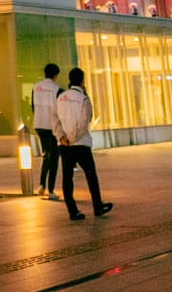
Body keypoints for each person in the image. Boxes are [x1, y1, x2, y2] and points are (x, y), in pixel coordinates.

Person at [54, 68, 113, 219]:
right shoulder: (83, 99)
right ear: (82, 80)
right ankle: (97, 206)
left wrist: (62, 137)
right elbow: (83, 124)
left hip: (64, 146)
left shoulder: (60, 97)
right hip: (81, 144)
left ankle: (72, 211)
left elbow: (54, 119)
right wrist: (72, 139)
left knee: (67, 178)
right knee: (90, 175)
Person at [33, 62, 64, 195]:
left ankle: (41, 185)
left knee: (46, 155)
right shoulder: (57, 89)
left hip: (39, 125)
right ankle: (51, 189)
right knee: (55, 157)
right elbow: (61, 110)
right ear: (56, 75)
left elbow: (33, 106)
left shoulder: (36, 87)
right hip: (52, 126)